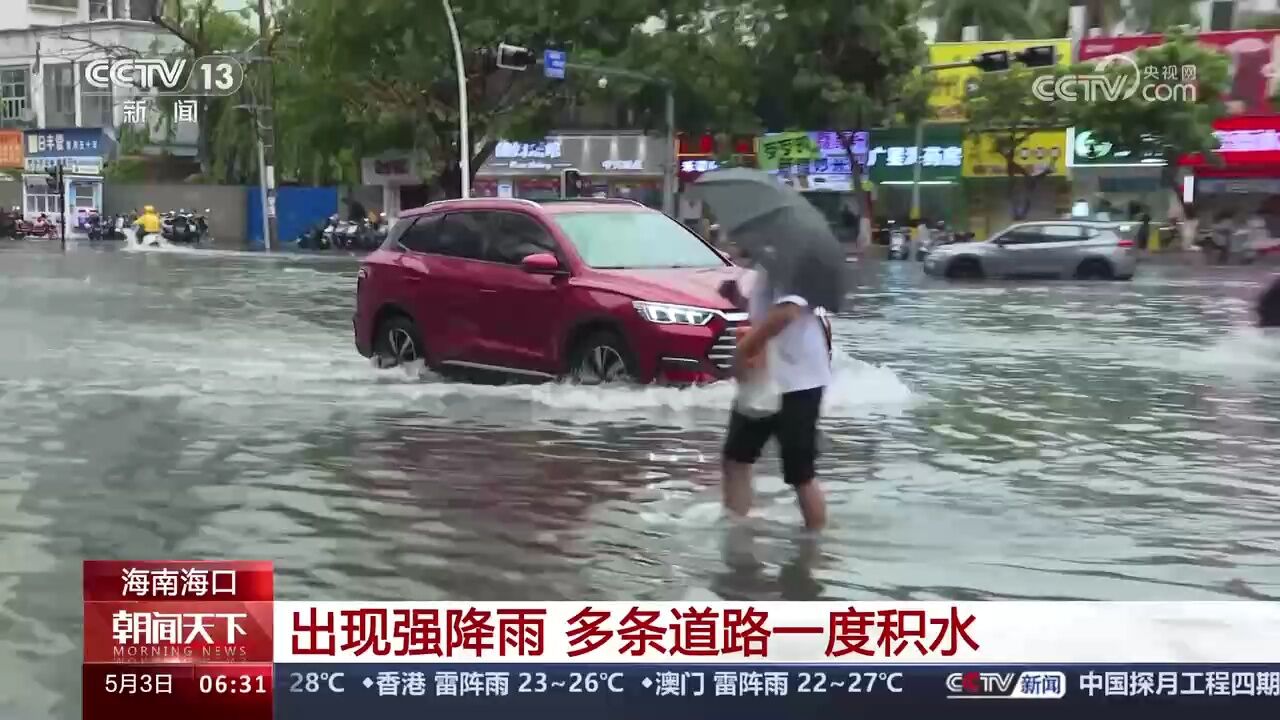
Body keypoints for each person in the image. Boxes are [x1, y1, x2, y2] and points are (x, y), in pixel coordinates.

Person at [719, 265, 834, 532]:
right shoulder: (769, 260)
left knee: (800, 471)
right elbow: (771, 309)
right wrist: (741, 298)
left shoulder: (789, 257)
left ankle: (815, 547)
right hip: (766, 376)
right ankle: (737, 534)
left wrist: (742, 351)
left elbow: (786, 313)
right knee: (736, 458)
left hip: (797, 380)